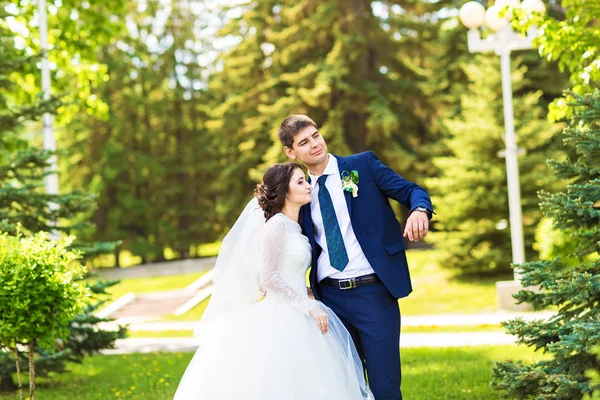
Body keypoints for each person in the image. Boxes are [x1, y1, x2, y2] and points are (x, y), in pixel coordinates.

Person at [173, 162, 372, 399]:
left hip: (299, 308)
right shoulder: (277, 224)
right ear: (284, 191)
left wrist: (308, 293)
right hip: (283, 316)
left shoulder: (295, 227)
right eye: (299, 182)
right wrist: (309, 306)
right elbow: (267, 277)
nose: (307, 185)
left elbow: (283, 272)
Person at [279, 115, 434, 400]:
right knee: (344, 386)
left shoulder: (363, 165)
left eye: (316, 135)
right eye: (304, 142)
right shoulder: (300, 192)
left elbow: (412, 191)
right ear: (291, 152)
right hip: (330, 301)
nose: (315, 144)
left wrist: (419, 210)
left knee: (384, 386)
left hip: (374, 293)